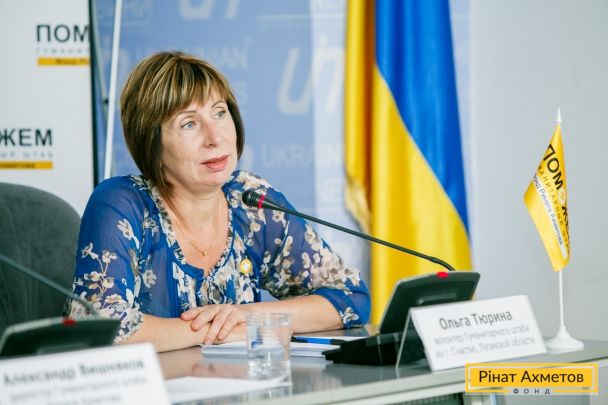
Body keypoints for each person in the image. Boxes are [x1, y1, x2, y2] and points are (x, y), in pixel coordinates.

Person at [68, 51, 370, 352]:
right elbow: (101, 329)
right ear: (151, 143)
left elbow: (351, 297)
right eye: (189, 123)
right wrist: (219, 331)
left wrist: (248, 317)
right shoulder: (121, 204)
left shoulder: (249, 201)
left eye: (219, 113)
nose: (215, 137)